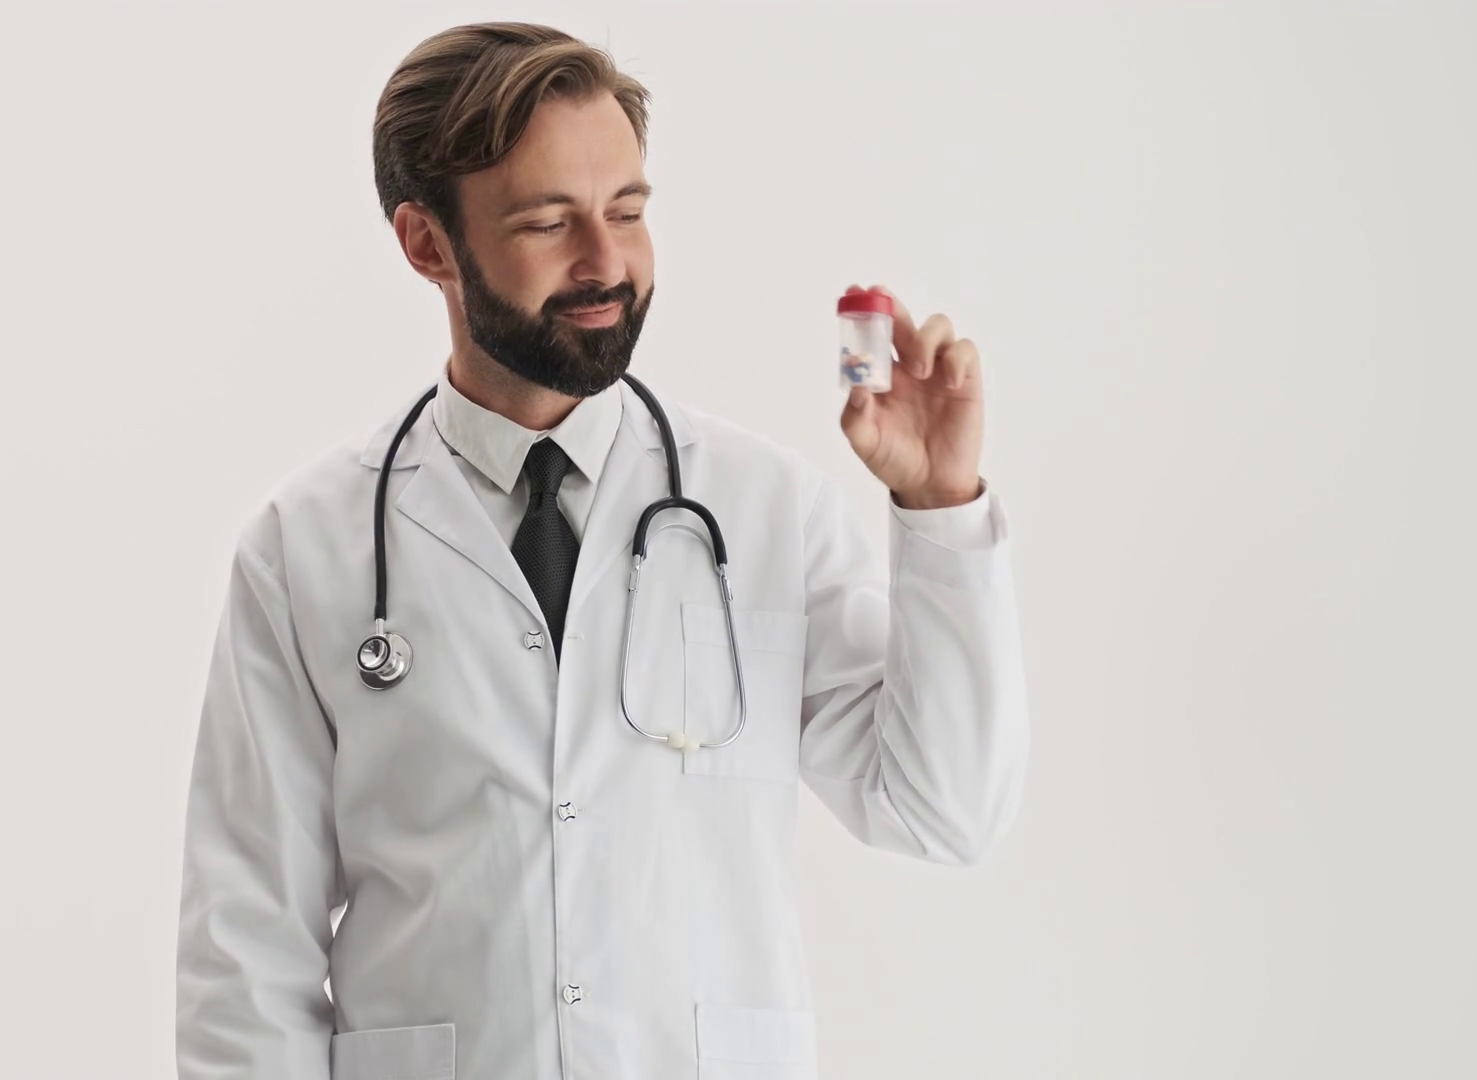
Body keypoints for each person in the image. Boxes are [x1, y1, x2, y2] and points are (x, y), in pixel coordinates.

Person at [176, 21, 1029, 1080]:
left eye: (627, 210)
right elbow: (246, 948)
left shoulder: (764, 509)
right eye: (549, 222)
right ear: (427, 244)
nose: (607, 263)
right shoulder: (304, 549)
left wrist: (941, 510)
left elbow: (945, 809)